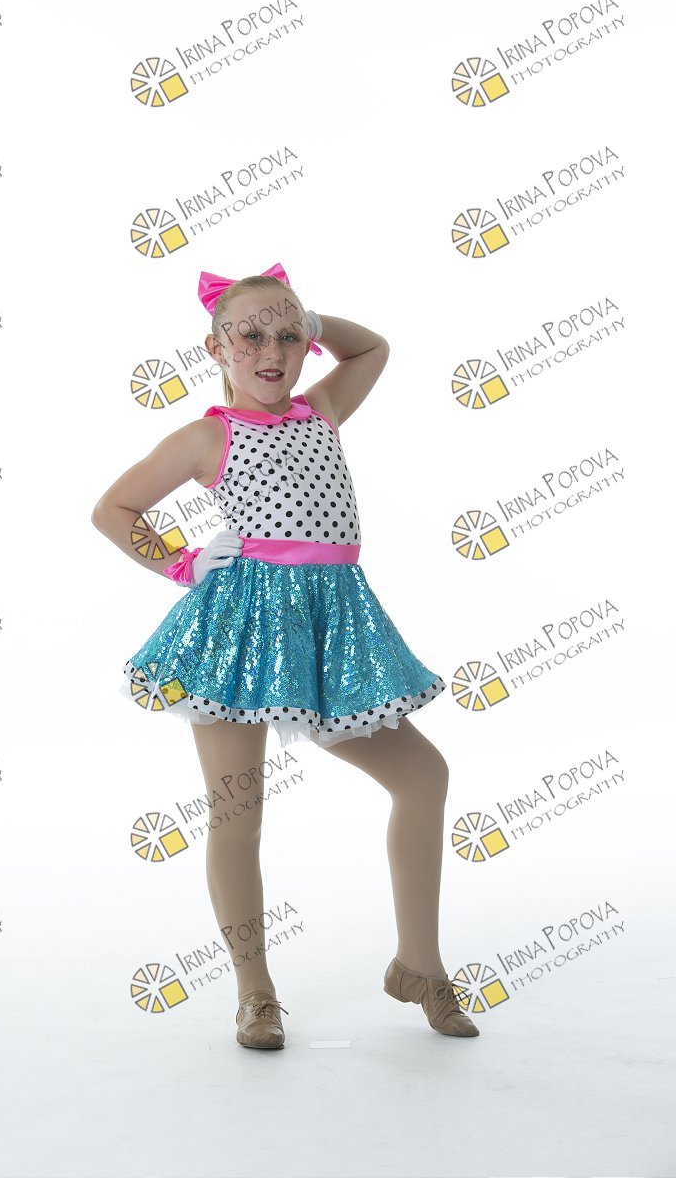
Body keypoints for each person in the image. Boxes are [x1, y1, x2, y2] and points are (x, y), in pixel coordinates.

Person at [91, 262, 479, 1049]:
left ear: (308, 345)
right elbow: (114, 508)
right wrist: (181, 564)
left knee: (423, 775)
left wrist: (312, 319)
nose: (271, 351)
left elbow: (373, 350)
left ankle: (420, 965)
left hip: (331, 625)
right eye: (251, 335)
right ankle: (255, 992)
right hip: (238, 629)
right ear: (216, 348)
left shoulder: (322, 411)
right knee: (238, 812)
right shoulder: (208, 436)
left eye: (289, 336)